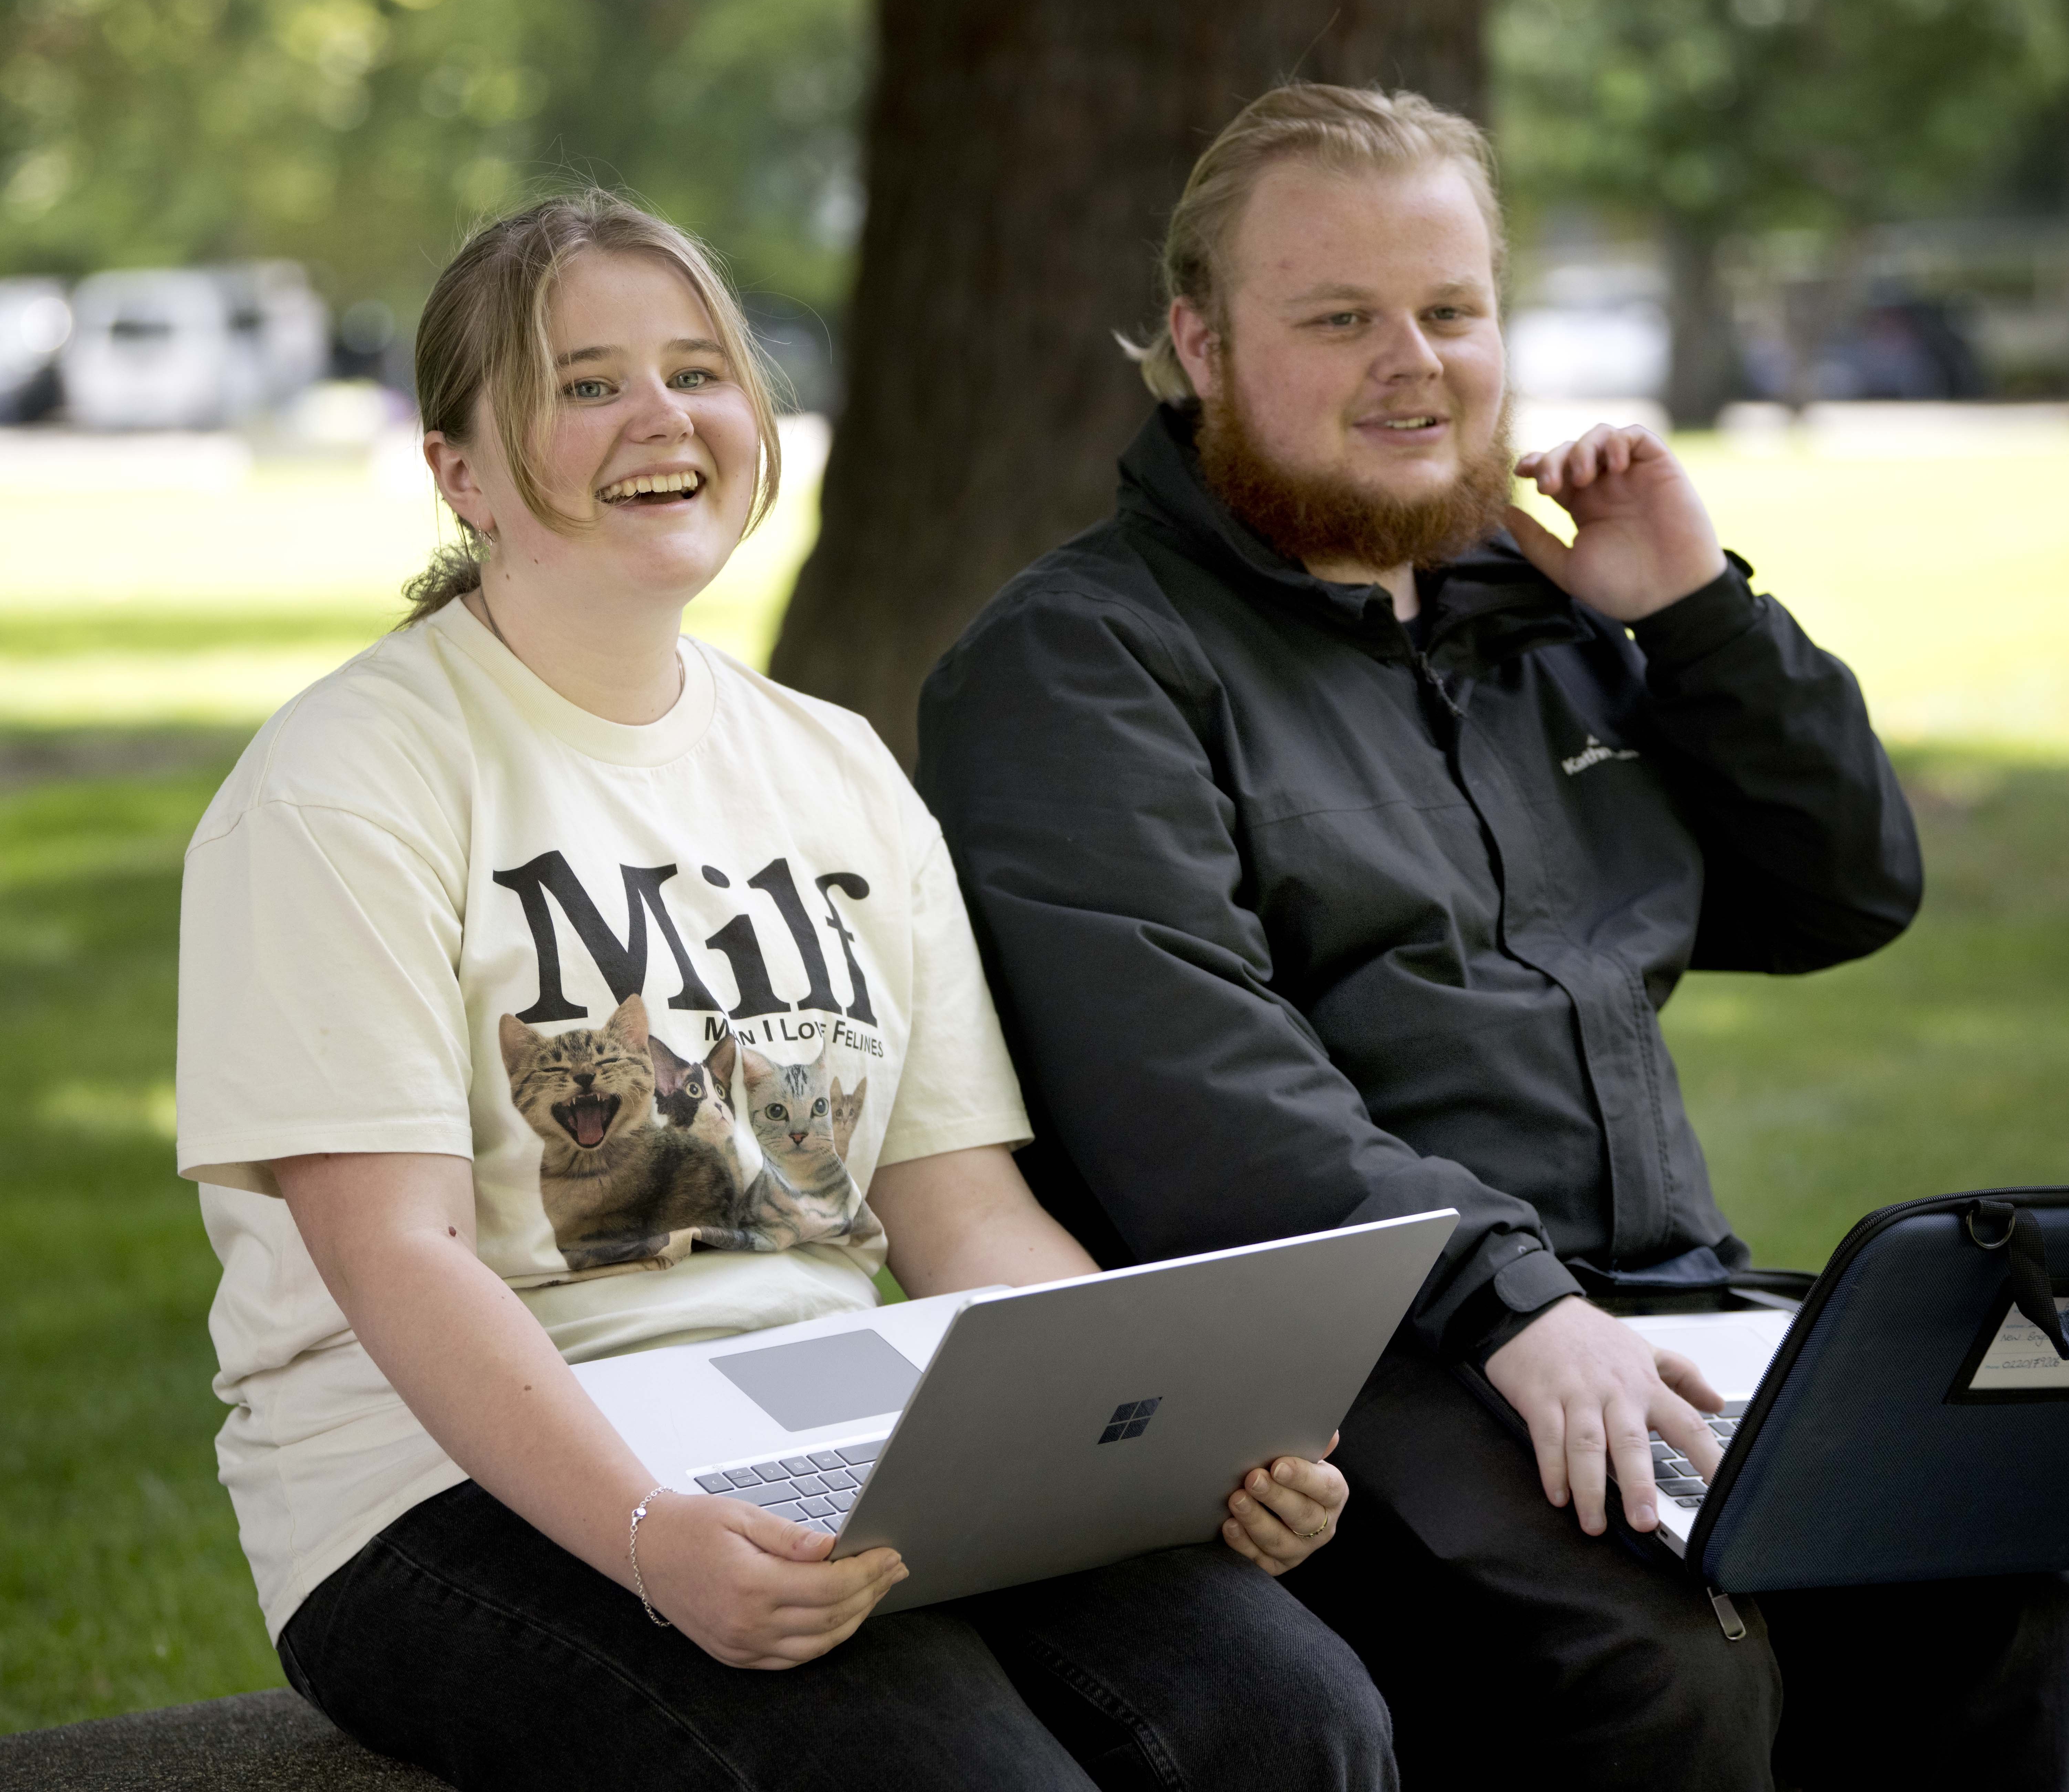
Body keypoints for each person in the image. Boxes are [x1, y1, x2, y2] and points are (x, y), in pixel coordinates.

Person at [916, 84, 2069, 1789]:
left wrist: (1696, 620)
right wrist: (1508, 1300)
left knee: (1997, 1600)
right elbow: (1190, 1085)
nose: (1415, 363)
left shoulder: (1541, 619)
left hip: (1664, 1312)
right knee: (1655, 1673)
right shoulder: (1078, 664)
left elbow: (1840, 889)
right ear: (1199, 343)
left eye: (1451, 311)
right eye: (1339, 318)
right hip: (1348, 1365)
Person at [174, 191, 1397, 1792]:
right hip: (432, 1489)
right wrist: (644, 1533)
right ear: (459, 471)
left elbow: (958, 1213)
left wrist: (1172, 1436)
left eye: (699, 368)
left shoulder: (834, 770)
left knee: (1293, 1719)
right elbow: (396, 1255)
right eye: (586, 382)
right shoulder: (351, 781)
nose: (661, 417)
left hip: (835, 1430)